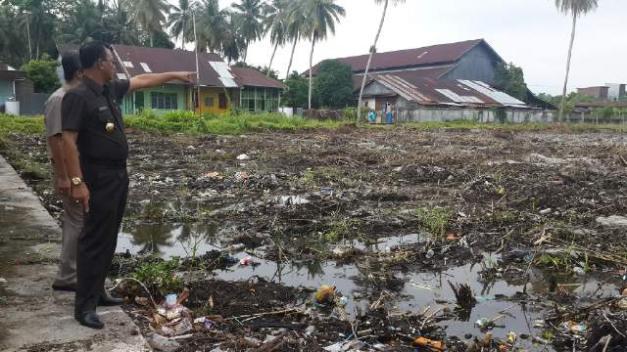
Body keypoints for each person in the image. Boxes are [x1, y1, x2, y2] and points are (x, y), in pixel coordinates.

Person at [61, 41, 193, 329]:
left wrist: (173, 74)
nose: (115, 65)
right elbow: (67, 141)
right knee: (93, 240)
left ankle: (98, 293)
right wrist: (76, 182)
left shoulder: (108, 90)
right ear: (99, 63)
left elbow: (142, 80)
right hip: (95, 177)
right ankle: (84, 307)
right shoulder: (78, 96)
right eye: (111, 60)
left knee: (108, 237)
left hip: (117, 176)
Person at [45, 51, 84, 292]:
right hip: (68, 172)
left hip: (76, 170)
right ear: (79, 72)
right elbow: (56, 139)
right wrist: (64, 176)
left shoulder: (72, 97)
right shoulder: (59, 99)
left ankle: (73, 270)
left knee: (79, 221)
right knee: (76, 222)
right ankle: (67, 275)